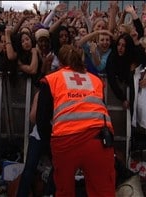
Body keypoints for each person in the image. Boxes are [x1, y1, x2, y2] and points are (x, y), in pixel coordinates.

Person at [36, 44, 115, 196]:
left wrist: (51, 149)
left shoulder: (52, 79)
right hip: (98, 140)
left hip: (65, 142)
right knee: (103, 190)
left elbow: (42, 120)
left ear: (60, 62)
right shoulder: (95, 80)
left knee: (64, 191)